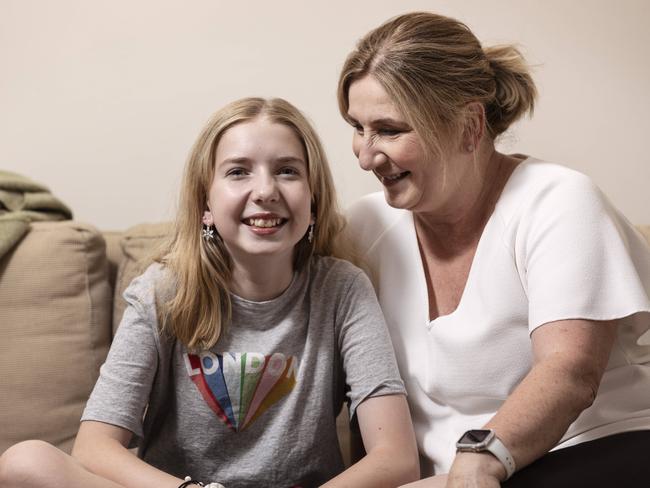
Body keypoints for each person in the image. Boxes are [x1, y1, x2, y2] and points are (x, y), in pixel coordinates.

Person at [0, 97, 419, 488]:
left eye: (288, 170)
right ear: (206, 203)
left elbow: (396, 458)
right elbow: (93, 446)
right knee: (26, 461)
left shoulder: (342, 289)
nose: (266, 190)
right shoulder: (162, 291)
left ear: (314, 200)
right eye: (238, 171)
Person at [337, 11, 650, 488]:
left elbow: (570, 372)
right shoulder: (364, 227)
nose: (365, 155)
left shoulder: (558, 200)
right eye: (358, 127)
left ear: (469, 126)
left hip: (594, 450)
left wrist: (481, 458)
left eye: (390, 130)